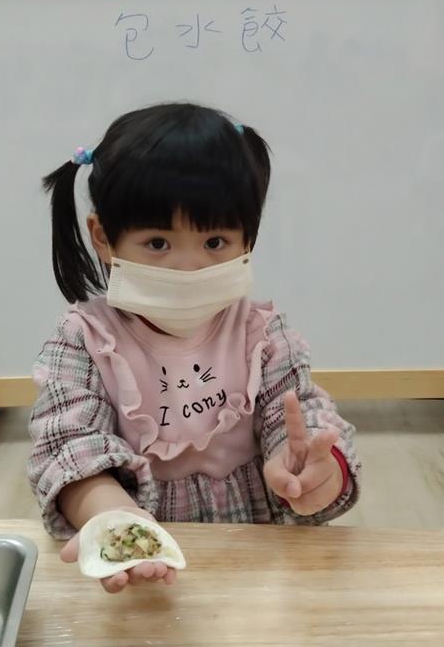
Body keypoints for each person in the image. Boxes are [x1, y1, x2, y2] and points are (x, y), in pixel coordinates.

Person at [28, 102, 361, 593]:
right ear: (104, 238)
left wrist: (315, 474)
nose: (189, 267)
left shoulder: (261, 333)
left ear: (248, 239)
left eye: (215, 242)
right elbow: (67, 444)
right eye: (158, 243)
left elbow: (298, 418)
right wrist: (113, 517)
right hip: (139, 570)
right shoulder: (85, 339)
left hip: (255, 559)